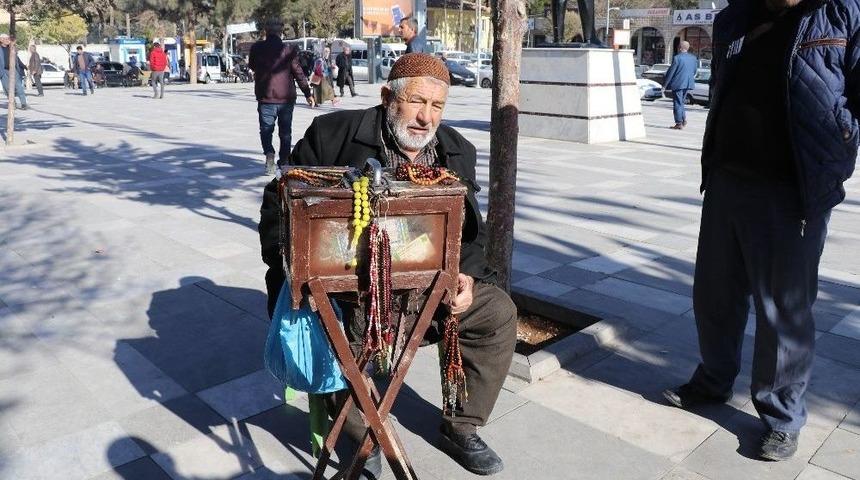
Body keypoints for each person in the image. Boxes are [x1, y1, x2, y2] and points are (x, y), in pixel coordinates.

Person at [258, 53, 517, 477]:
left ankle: (461, 424)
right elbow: (279, 205)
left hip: (428, 288)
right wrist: (295, 269)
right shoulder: (333, 134)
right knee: (336, 333)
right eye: (417, 102)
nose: (425, 117)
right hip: (348, 290)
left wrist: (466, 277)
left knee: (497, 313)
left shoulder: (457, 150)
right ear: (387, 97)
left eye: (436, 106)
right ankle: (363, 440)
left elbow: (471, 233)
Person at [662, 0, 860, 462]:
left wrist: (842, 133)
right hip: (728, 179)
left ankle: (782, 417)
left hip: (793, 191)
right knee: (714, 296)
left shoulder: (841, 12)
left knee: (784, 312)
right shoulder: (735, 15)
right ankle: (712, 381)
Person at [248, 19, 315, 176]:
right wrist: (308, 93)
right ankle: (284, 160)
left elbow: (252, 66)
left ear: (266, 31)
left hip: (265, 97)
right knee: (285, 132)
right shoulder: (288, 49)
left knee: (266, 129)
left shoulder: (257, 48)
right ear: (281, 32)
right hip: (286, 99)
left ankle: (269, 154)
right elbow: (298, 73)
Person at [662, 41, 698, 130]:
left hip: (678, 83)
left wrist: (664, 85)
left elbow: (671, 73)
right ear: (688, 48)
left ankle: (679, 123)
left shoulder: (677, 58)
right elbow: (694, 71)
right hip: (688, 83)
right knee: (681, 102)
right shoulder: (693, 58)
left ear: (680, 48)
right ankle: (683, 120)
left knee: (677, 103)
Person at [0, 34, 29, 109]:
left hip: (14, 70)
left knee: (19, 87)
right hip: (3, 71)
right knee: (7, 88)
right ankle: (13, 103)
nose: (7, 40)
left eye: (8, 38)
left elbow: (17, 59)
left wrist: (24, 67)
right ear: (1, 40)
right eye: (5, 39)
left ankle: (24, 103)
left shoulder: (12, 48)